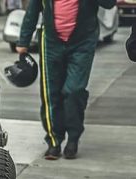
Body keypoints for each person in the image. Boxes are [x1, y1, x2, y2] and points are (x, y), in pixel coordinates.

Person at [17, 0, 116, 160]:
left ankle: (73, 137)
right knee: (51, 93)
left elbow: (109, 4)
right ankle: (54, 141)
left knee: (74, 90)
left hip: (83, 41)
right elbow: (33, 10)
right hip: (51, 42)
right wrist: (24, 41)